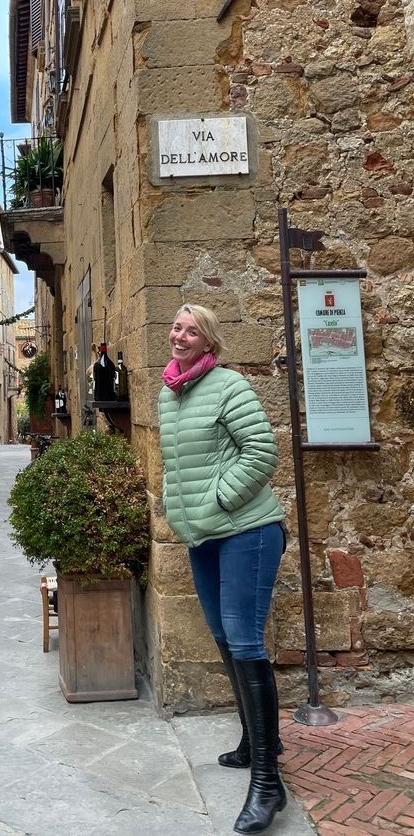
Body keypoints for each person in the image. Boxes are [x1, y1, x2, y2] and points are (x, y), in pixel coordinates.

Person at [158, 304, 286, 835]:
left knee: (245, 640)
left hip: (247, 531)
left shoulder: (229, 385)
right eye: (176, 327)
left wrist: (216, 499)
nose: (179, 334)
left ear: (208, 342)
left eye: (191, 330)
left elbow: (262, 452)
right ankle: (258, 740)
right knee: (221, 636)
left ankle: (268, 783)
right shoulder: (169, 393)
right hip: (203, 537)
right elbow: (176, 464)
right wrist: (179, 504)